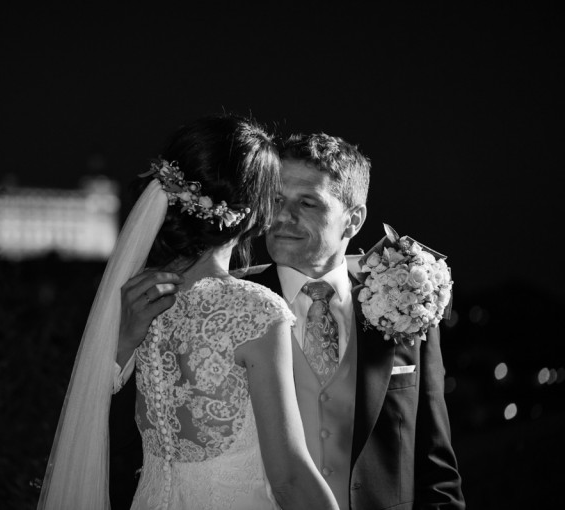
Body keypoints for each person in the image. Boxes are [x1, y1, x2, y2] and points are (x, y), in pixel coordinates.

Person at [117, 133, 466, 510]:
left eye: (308, 202)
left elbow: (436, 466)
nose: (283, 217)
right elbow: (145, 429)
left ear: (353, 220)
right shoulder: (226, 306)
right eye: (276, 200)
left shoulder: (408, 302)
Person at [38, 114, 339, 510]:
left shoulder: (138, 297)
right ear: (253, 213)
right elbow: (289, 477)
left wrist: (124, 340)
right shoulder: (254, 310)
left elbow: (91, 414)